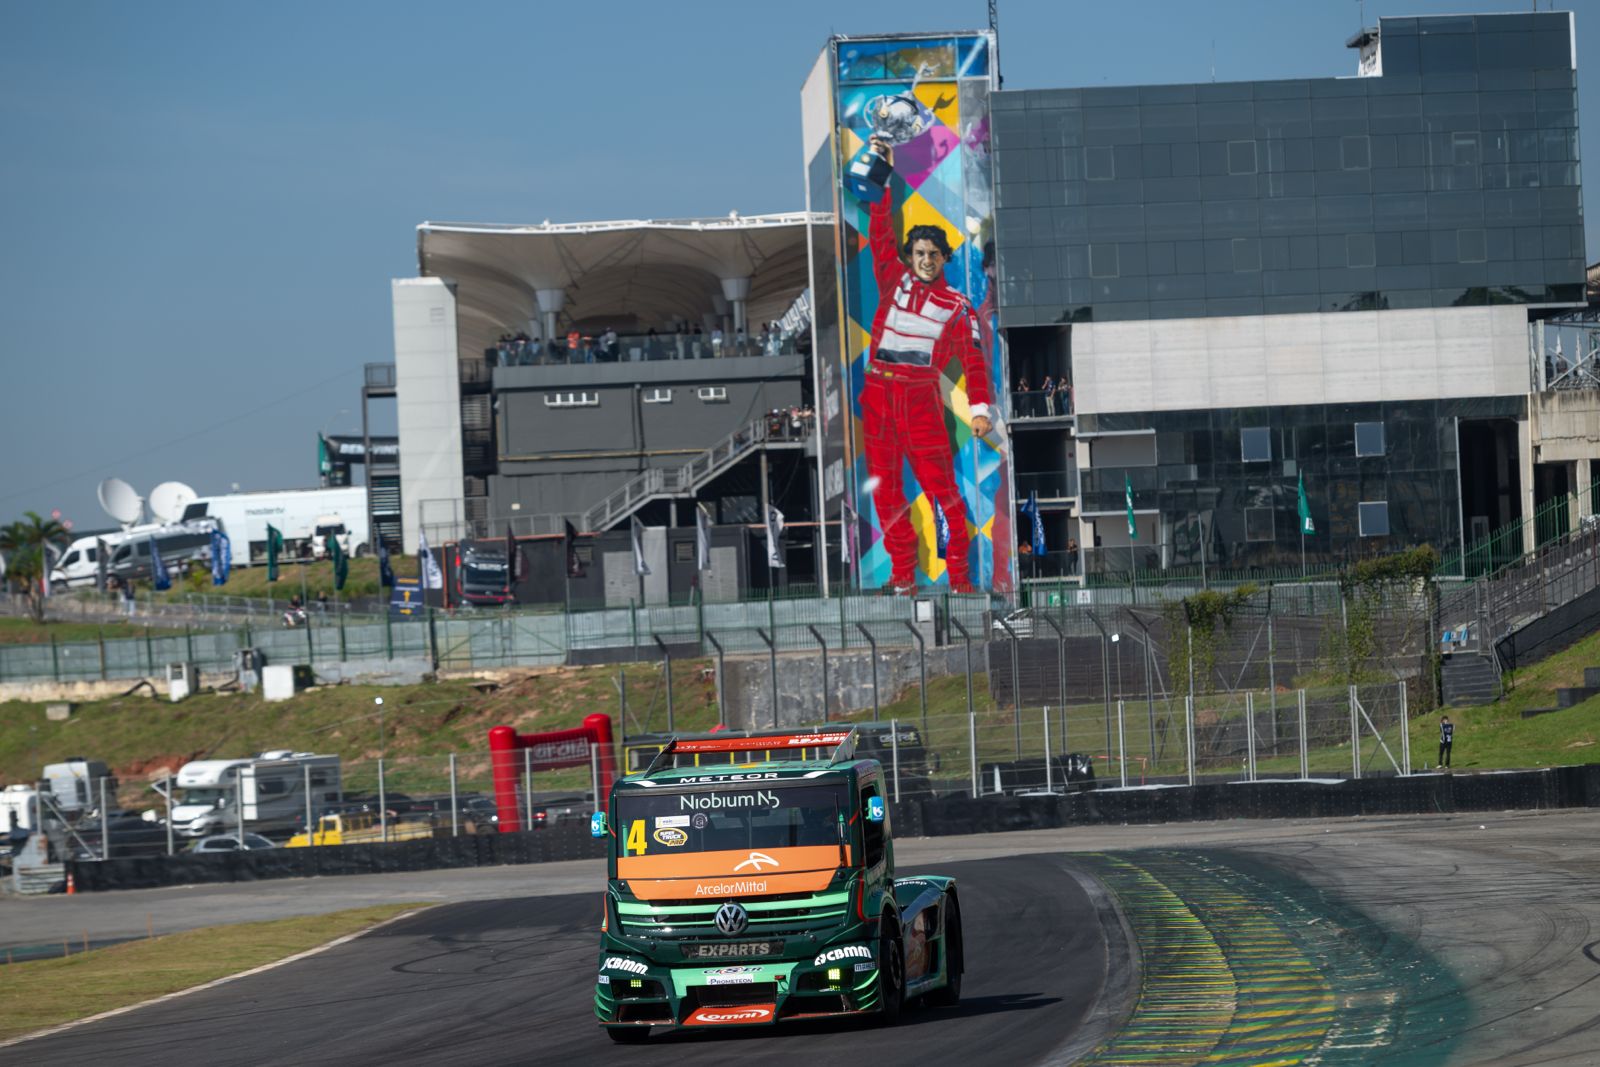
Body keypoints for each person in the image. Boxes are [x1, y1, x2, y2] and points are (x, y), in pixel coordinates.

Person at [860, 135, 994, 594]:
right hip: (877, 393)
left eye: (933, 255)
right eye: (918, 253)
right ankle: (902, 575)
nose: (925, 260)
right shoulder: (891, 278)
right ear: (909, 256)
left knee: (944, 493)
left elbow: (975, 362)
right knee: (884, 489)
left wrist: (980, 409)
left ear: (944, 259)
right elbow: (880, 228)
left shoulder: (958, 308)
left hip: (919, 398)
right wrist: (883, 170)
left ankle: (959, 577)